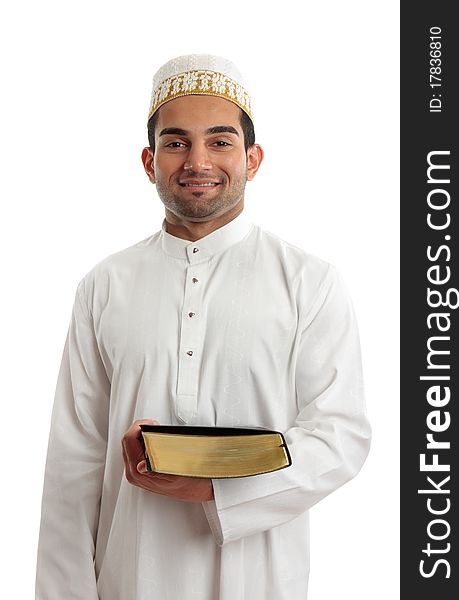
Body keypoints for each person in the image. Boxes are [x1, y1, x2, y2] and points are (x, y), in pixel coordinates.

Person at [36, 54, 371, 600]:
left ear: (252, 158)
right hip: (129, 578)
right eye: (176, 142)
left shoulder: (309, 282)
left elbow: (341, 436)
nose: (197, 161)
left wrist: (217, 489)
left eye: (219, 141)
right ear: (149, 161)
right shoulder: (105, 285)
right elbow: (74, 462)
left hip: (259, 579)